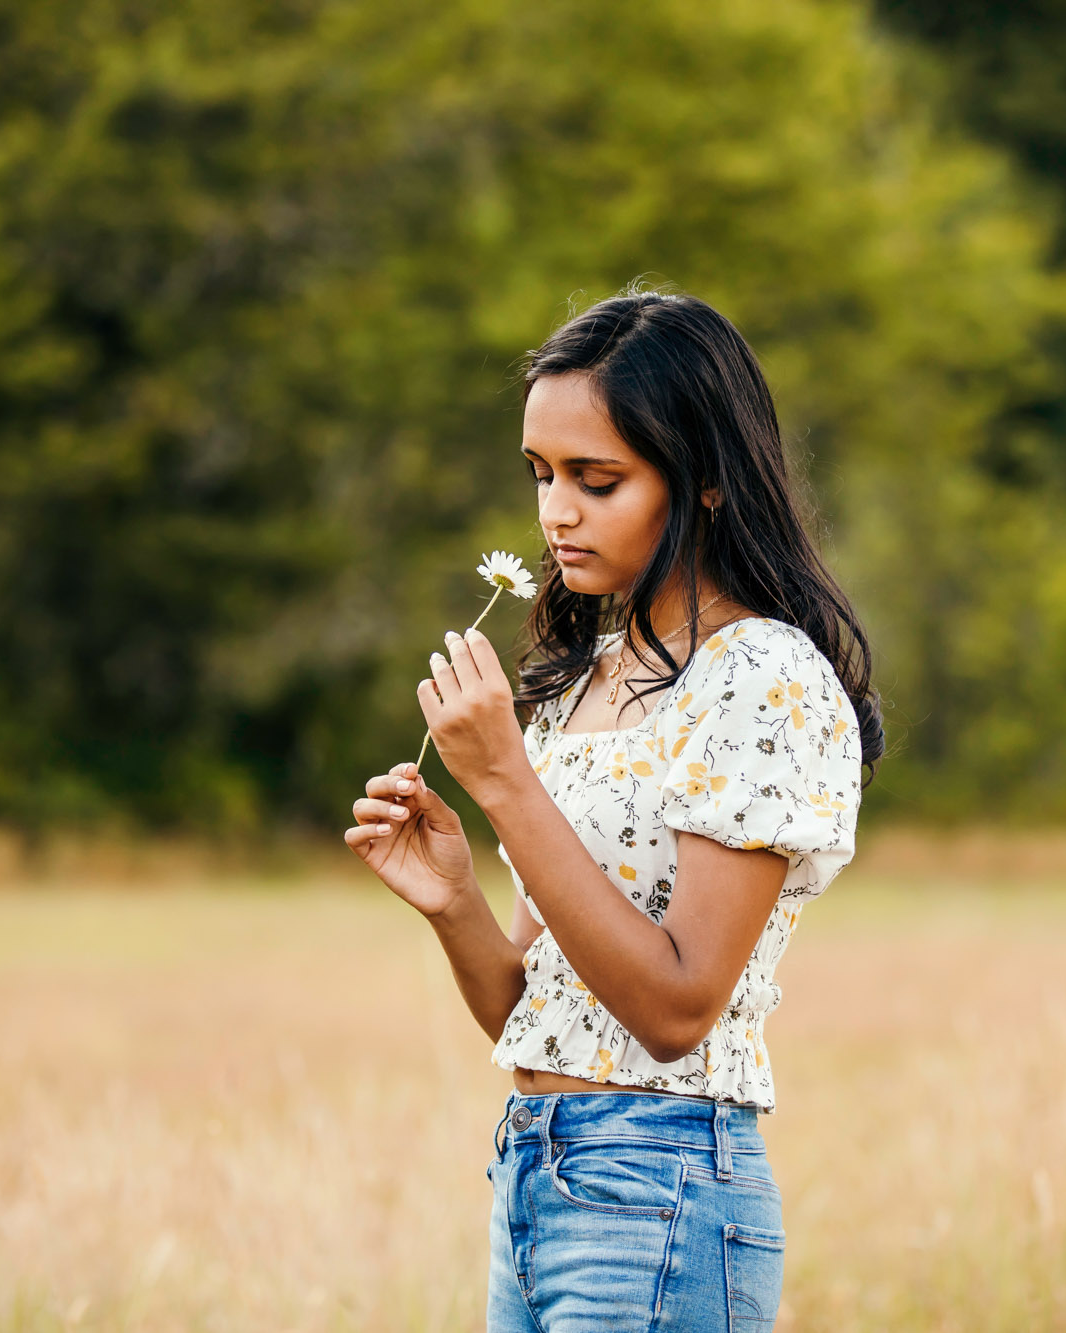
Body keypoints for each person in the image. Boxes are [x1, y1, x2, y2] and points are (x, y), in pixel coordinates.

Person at [343, 284, 884, 1331]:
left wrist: (503, 783)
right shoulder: (585, 678)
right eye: (541, 475)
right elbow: (536, 1012)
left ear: (708, 483)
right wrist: (454, 901)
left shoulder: (760, 678)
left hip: (664, 1185)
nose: (554, 513)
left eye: (597, 480)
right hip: (537, 1172)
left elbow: (674, 1011)